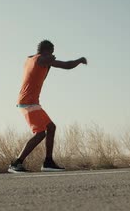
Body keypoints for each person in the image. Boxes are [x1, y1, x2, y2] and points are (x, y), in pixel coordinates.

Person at [8, 40, 88, 173]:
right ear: (46, 51)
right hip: (28, 102)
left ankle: (48, 162)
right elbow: (66, 65)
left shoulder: (31, 59)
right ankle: (16, 163)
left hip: (32, 102)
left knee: (51, 127)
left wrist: (49, 64)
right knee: (40, 133)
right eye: (52, 51)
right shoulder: (40, 59)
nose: (53, 54)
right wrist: (80, 60)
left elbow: (40, 74)